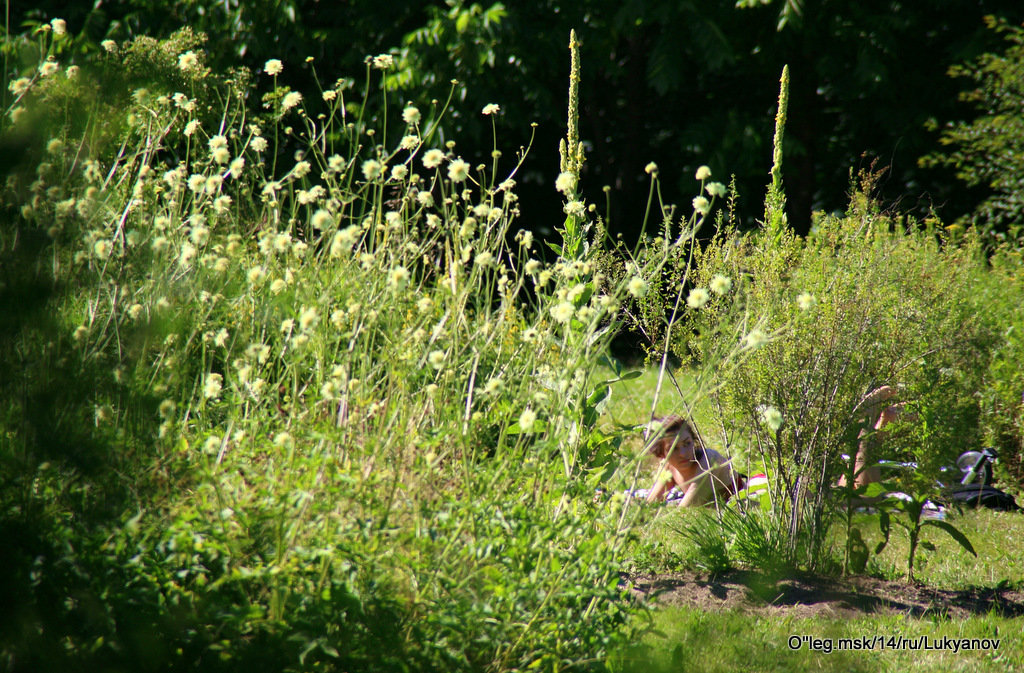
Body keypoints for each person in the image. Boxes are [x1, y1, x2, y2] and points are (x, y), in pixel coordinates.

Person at [644, 416, 745, 506]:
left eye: (687, 443)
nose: (683, 453)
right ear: (661, 454)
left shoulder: (710, 460)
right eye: (674, 448)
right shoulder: (669, 466)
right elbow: (650, 504)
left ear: (693, 440)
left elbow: (685, 510)